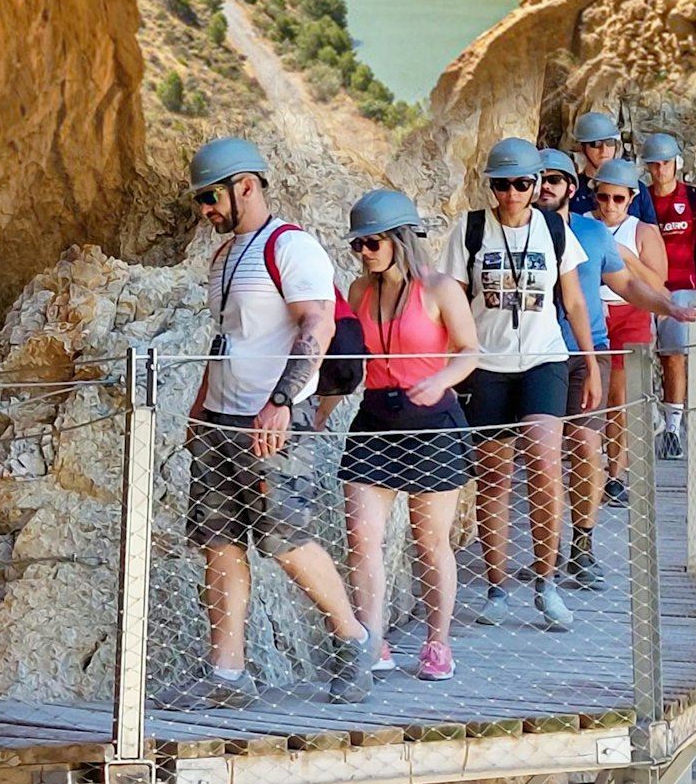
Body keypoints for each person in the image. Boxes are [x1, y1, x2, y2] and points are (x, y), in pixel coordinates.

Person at [163, 137, 373, 709]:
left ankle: (354, 641)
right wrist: (201, 406)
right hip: (222, 417)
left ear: (246, 186)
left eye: (211, 197)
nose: (205, 210)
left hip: (276, 415)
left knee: (285, 539)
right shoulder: (223, 256)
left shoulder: (292, 246)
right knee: (219, 541)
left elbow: (316, 326)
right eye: (200, 200)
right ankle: (227, 676)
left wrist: (282, 402)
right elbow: (227, 336)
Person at [440, 138, 601, 631]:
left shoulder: (554, 229)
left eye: (521, 184)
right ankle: (496, 585)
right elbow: (452, 303)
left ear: (535, 186)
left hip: (544, 359)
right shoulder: (468, 230)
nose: (511, 193)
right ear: (490, 186)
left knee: (544, 458)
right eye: (501, 184)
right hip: (486, 364)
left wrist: (590, 363)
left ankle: (546, 582)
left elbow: (573, 302)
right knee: (493, 476)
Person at [537, 150, 696, 583]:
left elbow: (626, 283)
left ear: (572, 187)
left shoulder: (593, 234)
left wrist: (668, 306)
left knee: (586, 445)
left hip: (586, 349)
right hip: (534, 353)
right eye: (540, 179)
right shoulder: (518, 231)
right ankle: (545, 554)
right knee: (544, 454)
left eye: (556, 179)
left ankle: (582, 543)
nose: (546, 186)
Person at [340, 190, 478, 683]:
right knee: (361, 537)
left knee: (429, 540)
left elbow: (469, 350)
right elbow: (349, 365)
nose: (365, 252)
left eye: (373, 242)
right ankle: (372, 641)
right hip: (375, 418)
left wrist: (440, 379)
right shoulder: (359, 292)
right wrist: (319, 408)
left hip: (432, 423)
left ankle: (437, 642)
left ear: (399, 239)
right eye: (359, 244)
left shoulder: (440, 289)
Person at [641, 132, 696, 459]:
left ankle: (673, 425)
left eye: (665, 163)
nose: (660, 169)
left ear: (676, 163)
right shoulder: (639, 200)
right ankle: (648, 415)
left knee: (674, 353)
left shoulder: (693, 198)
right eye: (654, 164)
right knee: (637, 354)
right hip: (645, 288)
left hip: (683, 287)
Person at [592, 158, 669, 503]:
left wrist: (625, 257)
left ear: (631, 198)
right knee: (591, 392)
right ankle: (592, 467)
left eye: (618, 199)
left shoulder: (642, 232)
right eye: (603, 197)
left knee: (619, 396)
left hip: (631, 312)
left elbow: (658, 284)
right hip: (594, 313)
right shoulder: (583, 225)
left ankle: (616, 472)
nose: (609, 206)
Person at [568, 111, 659, 224]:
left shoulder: (637, 189)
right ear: (582, 148)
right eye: (595, 144)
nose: (604, 150)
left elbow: (651, 233)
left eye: (610, 142)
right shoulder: (572, 189)